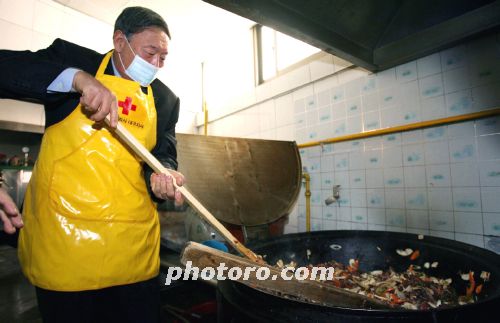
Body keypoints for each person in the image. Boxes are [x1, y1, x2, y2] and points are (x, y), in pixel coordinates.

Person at [0, 6, 185, 323]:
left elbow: (164, 153)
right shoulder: (73, 61)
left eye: (163, 58)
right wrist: (77, 80)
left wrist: (161, 175)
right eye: (149, 52)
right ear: (120, 40)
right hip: (65, 248)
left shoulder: (166, 99)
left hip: (134, 252)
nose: (155, 64)